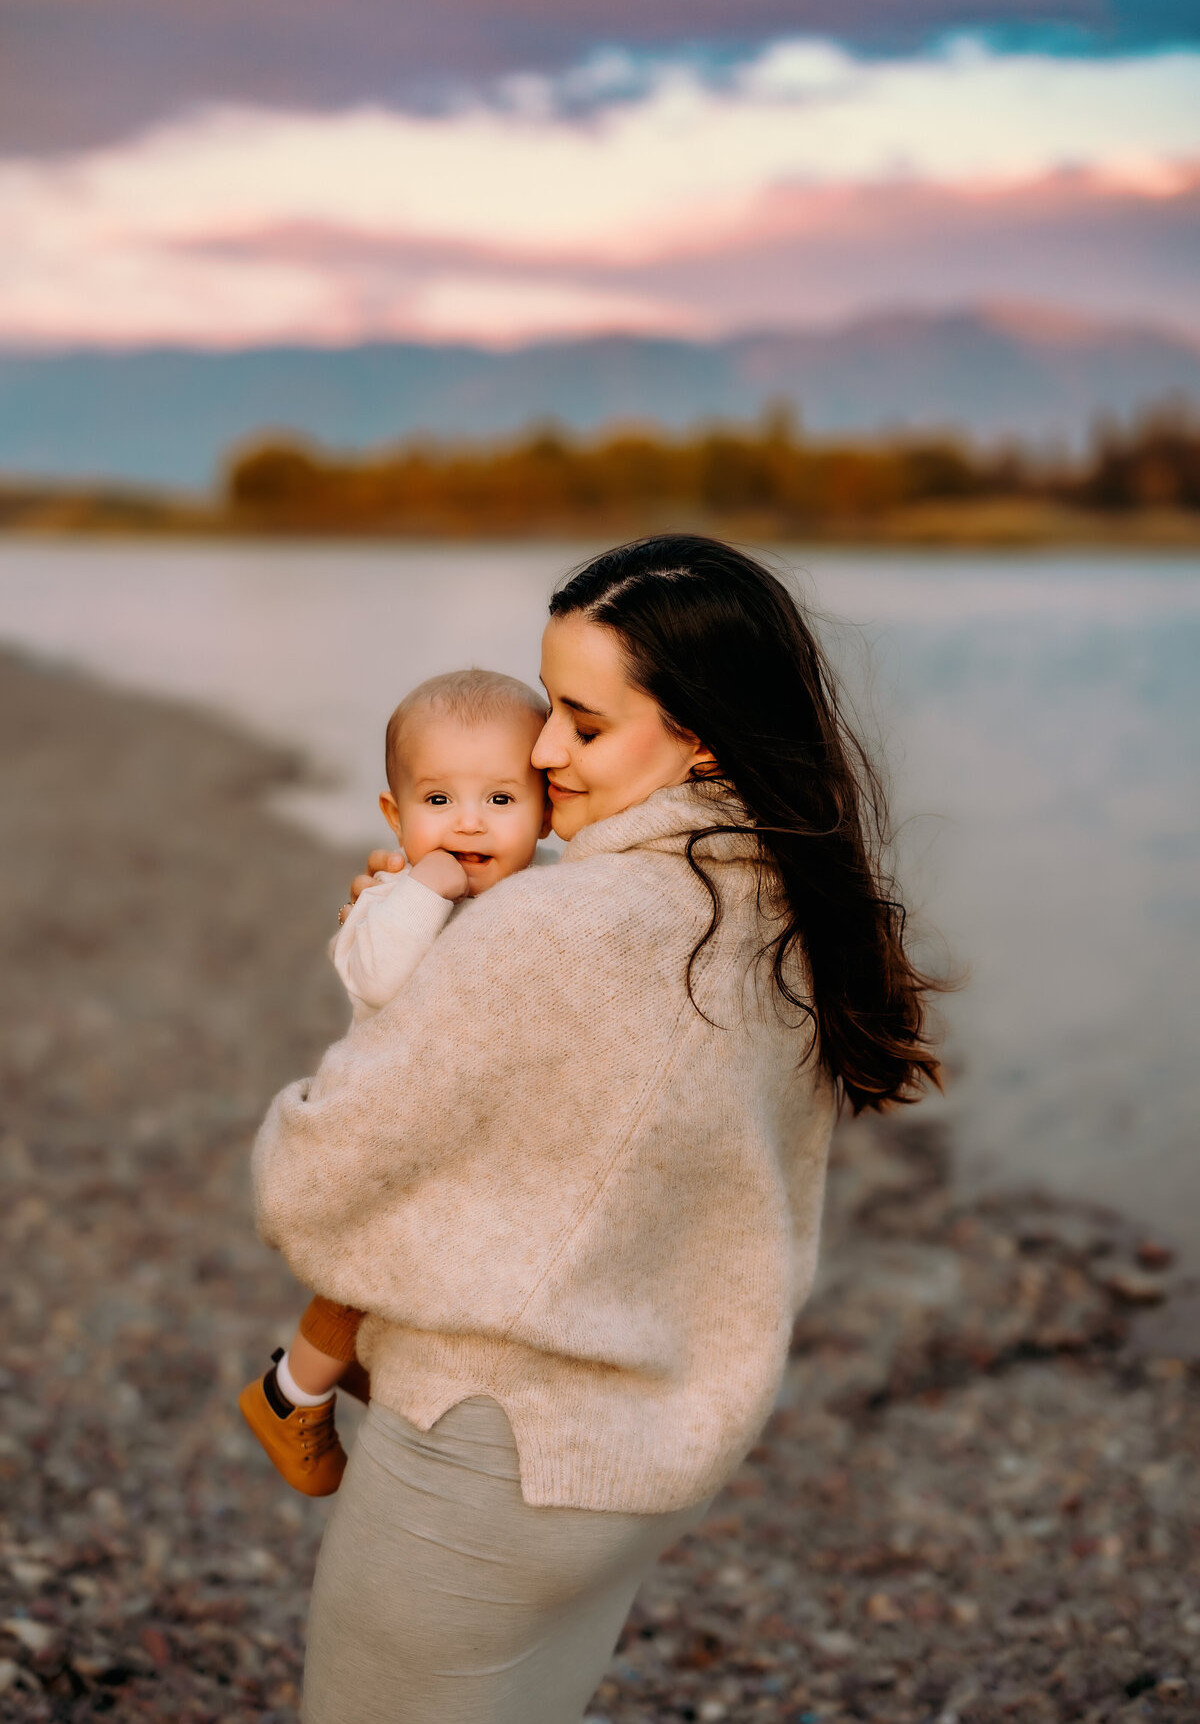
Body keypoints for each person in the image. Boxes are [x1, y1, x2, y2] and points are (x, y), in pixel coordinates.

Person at [251, 535, 942, 1724]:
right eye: (547, 710)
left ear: (702, 735)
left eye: (582, 722)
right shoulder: (785, 901)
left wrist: (419, 978)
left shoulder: (560, 930)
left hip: (491, 1454)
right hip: (650, 1452)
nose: (540, 750)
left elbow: (310, 1181)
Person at [239, 668, 551, 1495]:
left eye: (502, 799)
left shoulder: (546, 896)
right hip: (388, 1129)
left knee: (423, 1272)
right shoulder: (390, 900)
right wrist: (424, 888)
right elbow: (376, 978)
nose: (469, 823)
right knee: (359, 1272)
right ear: (394, 815)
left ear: (546, 809)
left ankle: (373, 1373)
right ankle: (289, 1396)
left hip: (466, 1140)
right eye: (438, 801)